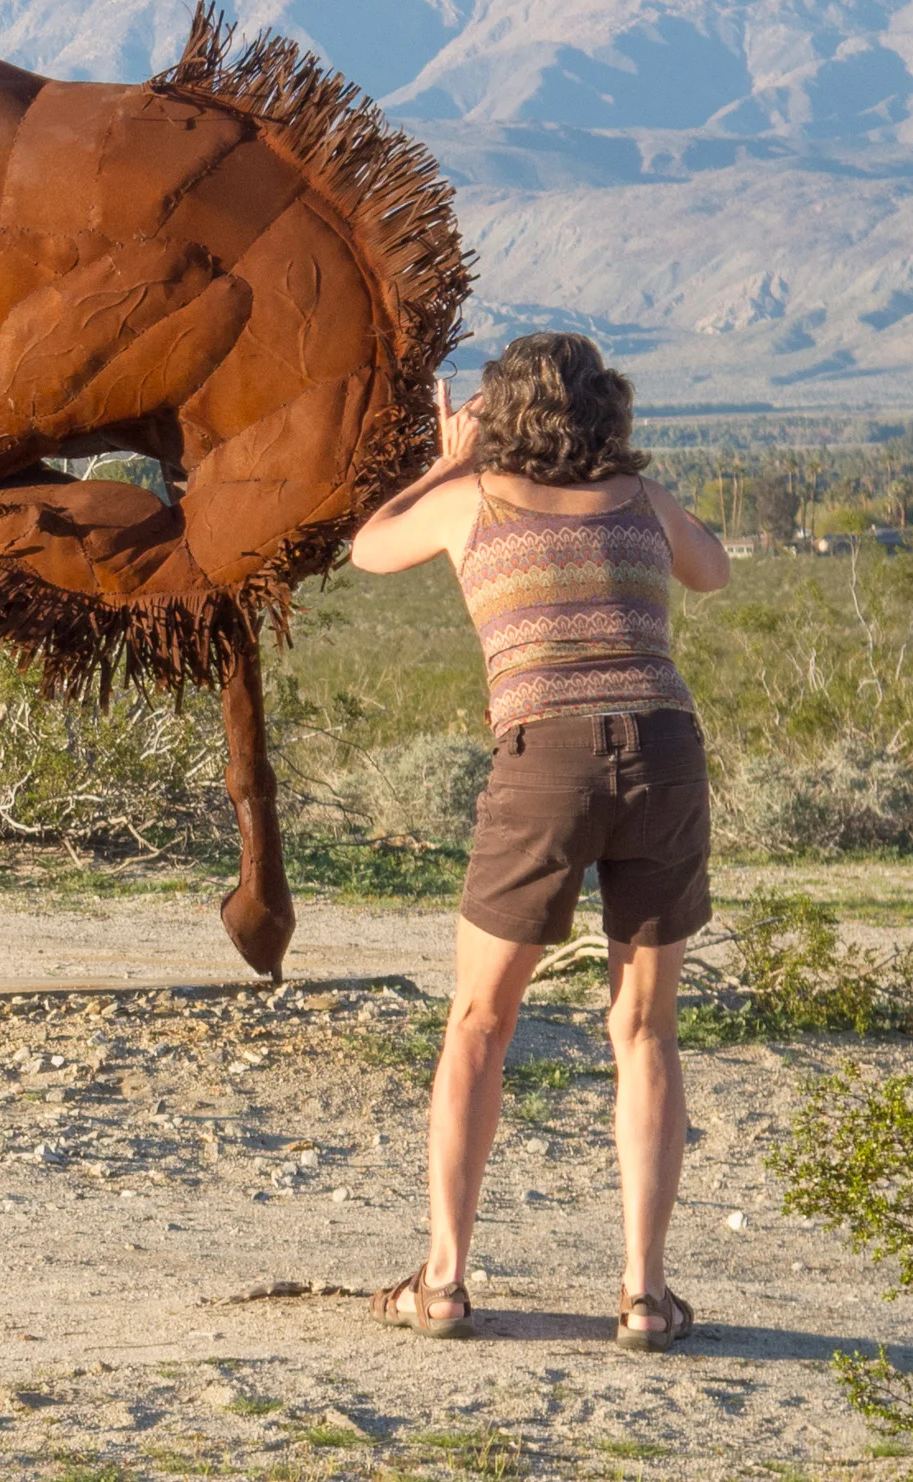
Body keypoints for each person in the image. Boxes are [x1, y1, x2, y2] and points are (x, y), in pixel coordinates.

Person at [346, 331, 729, 1352]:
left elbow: (367, 543)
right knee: (644, 1029)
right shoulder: (643, 506)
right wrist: (638, 494)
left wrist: (447, 457)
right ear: (609, 409)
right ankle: (644, 1297)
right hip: (663, 749)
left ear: (495, 415)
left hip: (543, 758)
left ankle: (443, 1282)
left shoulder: (473, 501)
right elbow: (715, 571)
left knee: (480, 1020)